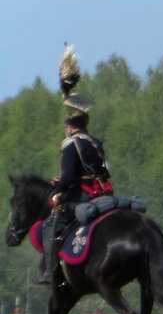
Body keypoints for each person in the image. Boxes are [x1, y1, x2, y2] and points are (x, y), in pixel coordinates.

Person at [39, 53, 113, 285]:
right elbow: (100, 170)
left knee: (51, 225)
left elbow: (70, 177)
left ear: (69, 126)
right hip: (103, 194)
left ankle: (51, 274)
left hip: (82, 196)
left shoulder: (72, 145)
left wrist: (57, 189)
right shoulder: (95, 142)